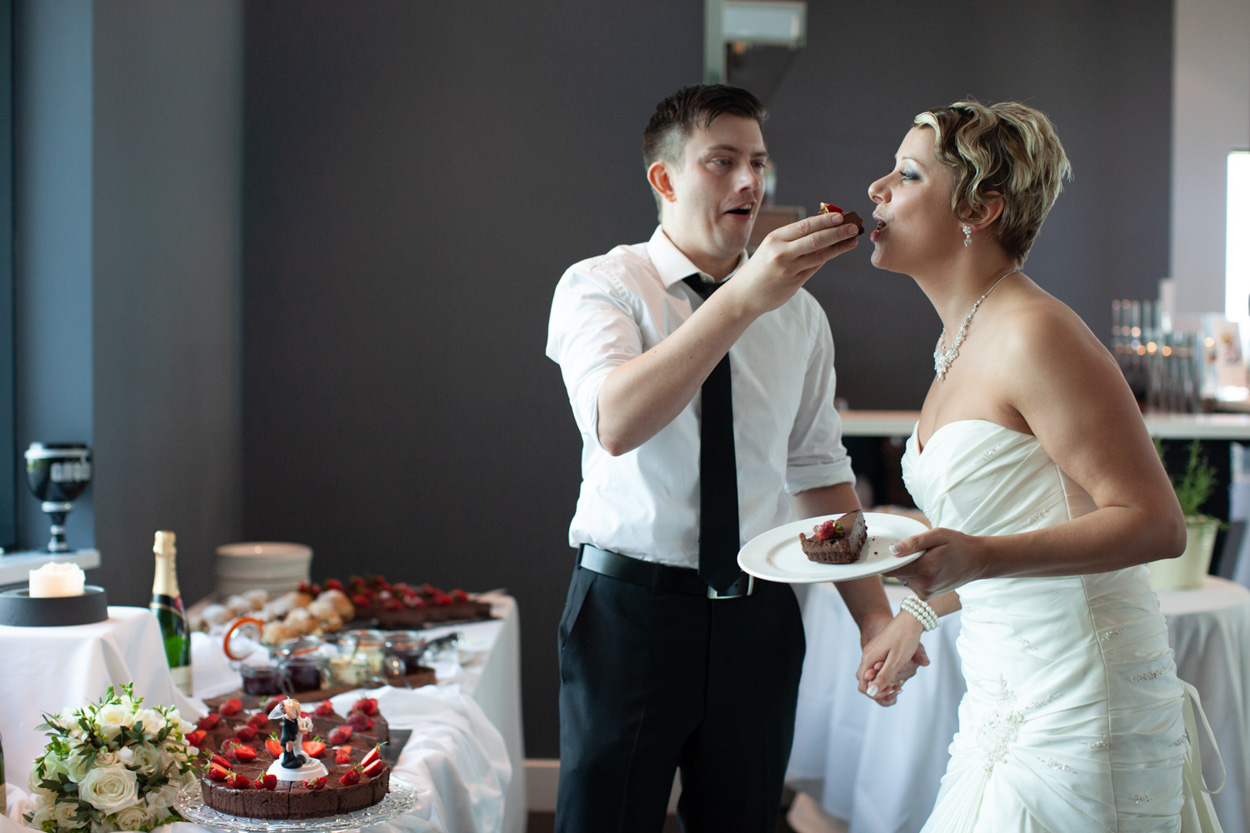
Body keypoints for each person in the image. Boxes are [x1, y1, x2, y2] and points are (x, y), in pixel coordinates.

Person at [546, 84, 926, 832]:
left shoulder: (802, 314)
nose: (750, 183)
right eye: (722, 162)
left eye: (758, 162)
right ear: (665, 179)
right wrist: (743, 299)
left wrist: (873, 617)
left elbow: (819, 474)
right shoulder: (602, 286)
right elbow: (615, 421)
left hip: (761, 621)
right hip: (630, 616)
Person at [858, 99, 1224, 831]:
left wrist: (978, 558)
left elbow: (1155, 522)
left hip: (1083, 709)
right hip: (999, 703)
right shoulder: (959, 344)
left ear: (980, 209)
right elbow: (1013, 522)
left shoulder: (1036, 333)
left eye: (906, 174)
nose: (876, 189)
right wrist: (922, 611)